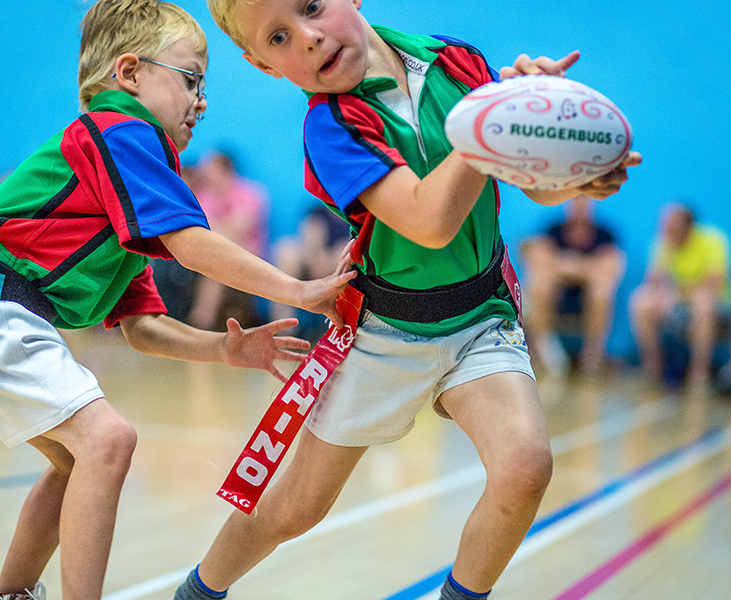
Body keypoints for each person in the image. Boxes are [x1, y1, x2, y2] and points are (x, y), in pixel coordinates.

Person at [171, 1, 642, 599]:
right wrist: (492, 123)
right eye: (281, 37)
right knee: (295, 509)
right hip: (383, 332)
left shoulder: (456, 62)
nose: (311, 38)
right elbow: (429, 220)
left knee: (525, 467)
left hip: (481, 316)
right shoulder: (331, 128)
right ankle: (198, 591)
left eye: (313, 6)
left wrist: (568, 165)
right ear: (264, 65)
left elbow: (528, 184)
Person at [0, 2, 355, 599]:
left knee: (75, 457)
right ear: (129, 75)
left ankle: (10, 594)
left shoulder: (120, 176)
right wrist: (300, 290)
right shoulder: (120, 128)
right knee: (107, 440)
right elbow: (191, 244)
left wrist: (225, 351)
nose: (201, 101)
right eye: (190, 79)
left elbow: (143, 325)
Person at [521, 195, 626, 377]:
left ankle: (592, 357)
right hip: (557, 294)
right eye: (575, 202)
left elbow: (612, 266)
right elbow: (538, 259)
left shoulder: (605, 234)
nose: (579, 207)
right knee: (539, 285)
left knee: (602, 291)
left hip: (587, 297)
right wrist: (585, 267)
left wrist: (572, 266)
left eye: (584, 202)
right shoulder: (553, 230)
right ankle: (543, 352)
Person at [629, 202, 731, 389]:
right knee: (640, 300)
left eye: (669, 225)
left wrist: (675, 293)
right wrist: (661, 292)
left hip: (717, 307)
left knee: (703, 302)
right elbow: (653, 281)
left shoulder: (713, 240)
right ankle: (654, 368)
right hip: (678, 304)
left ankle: (698, 374)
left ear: (687, 226)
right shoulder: (663, 243)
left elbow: (713, 284)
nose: (664, 229)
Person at [186, 150, 270, 330]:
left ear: (225, 169)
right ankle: (202, 322)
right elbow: (198, 231)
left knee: (217, 264)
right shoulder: (204, 197)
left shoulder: (251, 192)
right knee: (216, 261)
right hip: (211, 255)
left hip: (248, 255)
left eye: (209, 168)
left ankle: (201, 322)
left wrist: (216, 229)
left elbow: (239, 230)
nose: (203, 172)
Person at [271, 204, 352, 341]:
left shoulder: (355, 217)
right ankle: (284, 329)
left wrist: (329, 260)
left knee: (344, 253)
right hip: (311, 260)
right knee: (285, 251)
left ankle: (341, 330)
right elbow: (309, 237)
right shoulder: (317, 213)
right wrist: (316, 258)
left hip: (340, 263)